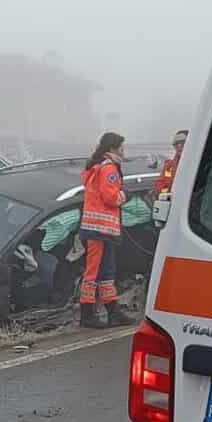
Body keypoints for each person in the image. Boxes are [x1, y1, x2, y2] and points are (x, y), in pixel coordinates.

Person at [78, 131, 132, 328]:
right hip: (100, 230)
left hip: (99, 230)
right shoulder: (109, 168)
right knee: (94, 273)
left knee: (105, 273)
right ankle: (87, 313)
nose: (124, 151)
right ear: (113, 148)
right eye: (122, 147)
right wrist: (124, 196)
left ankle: (112, 311)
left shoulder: (98, 166)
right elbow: (110, 197)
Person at [155, 129, 187, 213]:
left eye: (183, 142)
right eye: (176, 144)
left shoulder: (200, 163)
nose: (179, 145)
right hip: (175, 206)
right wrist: (167, 195)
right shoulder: (169, 167)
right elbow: (162, 184)